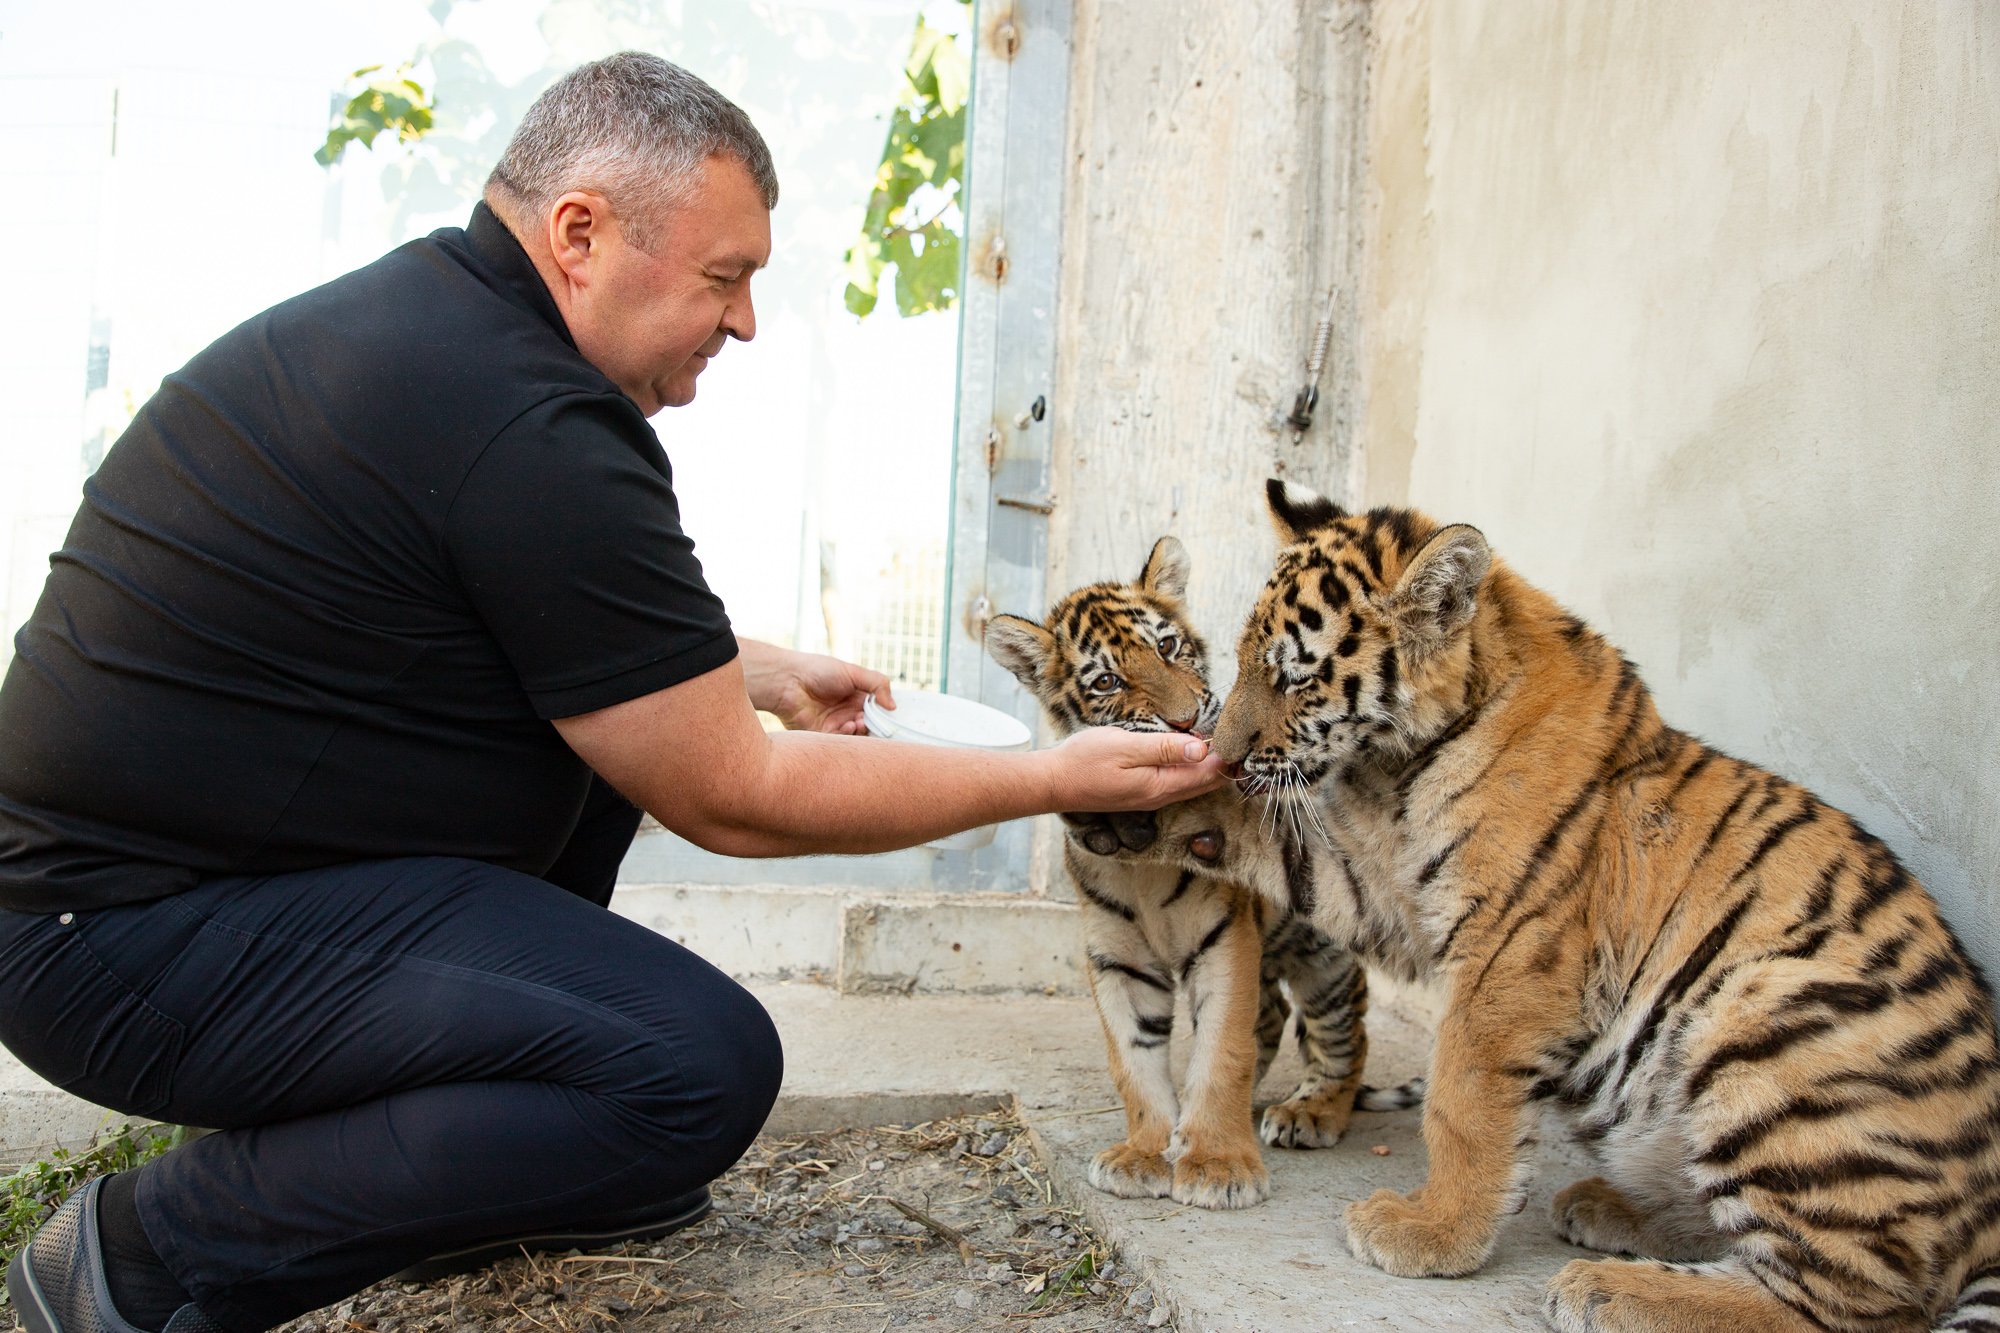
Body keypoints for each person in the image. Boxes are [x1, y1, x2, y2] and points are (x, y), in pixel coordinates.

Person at [0, 52, 1225, 1333]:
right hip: (118, 947)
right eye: (722, 276)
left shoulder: (441, 333)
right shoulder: (528, 424)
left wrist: (743, 669)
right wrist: (1047, 779)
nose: (746, 320)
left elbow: (487, 612)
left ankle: (494, 1170)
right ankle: (151, 1254)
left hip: (123, 904)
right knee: (695, 1070)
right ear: (578, 232)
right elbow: (736, 800)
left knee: (601, 749)